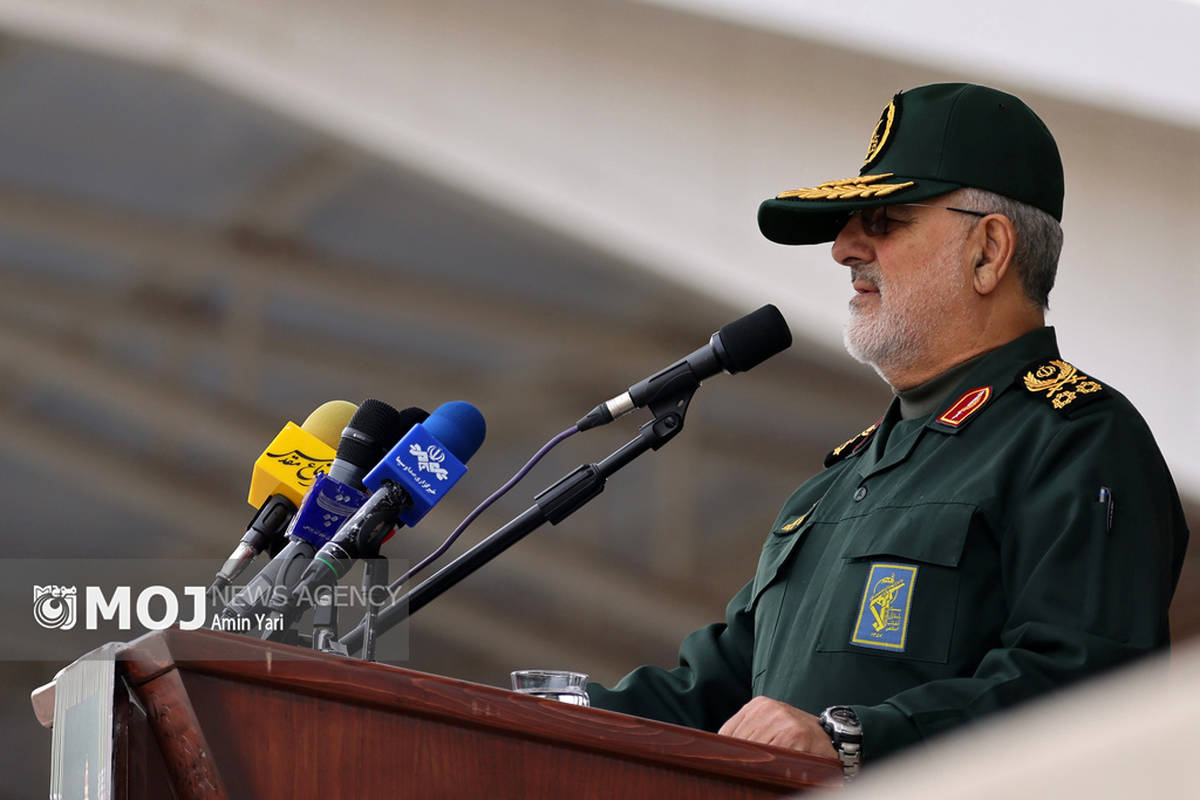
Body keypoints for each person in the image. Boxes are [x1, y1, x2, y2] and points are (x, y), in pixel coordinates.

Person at [586, 83, 1190, 779]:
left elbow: (1084, 691)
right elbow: (709, 696)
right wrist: (552, 708)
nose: (844, 248)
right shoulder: (832, 486)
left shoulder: (1075, 438)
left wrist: (855, 739)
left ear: (989, 251)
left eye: (884, 221)